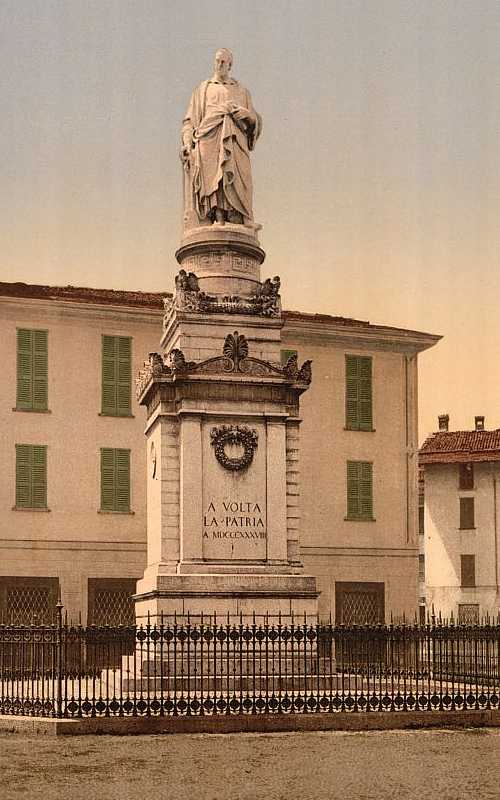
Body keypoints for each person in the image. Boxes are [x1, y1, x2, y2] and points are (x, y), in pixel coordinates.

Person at [180, 48, 262, 227]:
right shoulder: (202, 90)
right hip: (208, 140)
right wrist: (187, 143)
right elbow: (189, 122)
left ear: (230, 65)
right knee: (215, 177)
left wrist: (247, 115)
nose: (219, 65)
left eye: (223, 62)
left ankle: (239, 216)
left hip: (235, 142)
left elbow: (255, 121)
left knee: (234, 175)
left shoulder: (241, 91)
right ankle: (218, 217)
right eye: (217, 61)